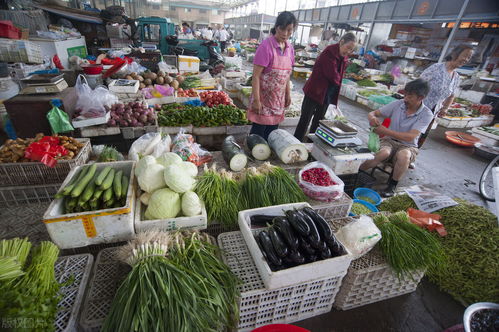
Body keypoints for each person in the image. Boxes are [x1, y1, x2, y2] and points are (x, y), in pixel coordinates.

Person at [359, 79, 433, 197]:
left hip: (408, 146)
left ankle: (392, 186)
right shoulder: (398, 104)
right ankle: (357, 173)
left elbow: (410, 137)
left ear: (420, 98)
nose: (406, 99)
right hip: (388, 141)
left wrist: (385, 130)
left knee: (404, 156)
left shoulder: (427, 114)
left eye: (410, 96)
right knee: (383, 153)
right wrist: (372, 118)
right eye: (405, 94)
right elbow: (373, 113)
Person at [294, 33, 357, 142]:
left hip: (327, 93)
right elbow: (332, 75)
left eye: (351, 50)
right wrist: (339, 80)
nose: (348, 52)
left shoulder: (343, 56)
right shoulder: (329, 52)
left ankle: (311, 144)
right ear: (341, 42)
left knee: (318, 120)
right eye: (348, 48)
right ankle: (295, 142)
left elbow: (338, 74)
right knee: (305, 119)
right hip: (315, 91)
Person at [247, 11, 297, 140]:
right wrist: (257, 101)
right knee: (257, 134)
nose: (285, 33)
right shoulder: (266, 46)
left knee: (272, 134)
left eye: (289, 30)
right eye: (282, 29)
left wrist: (288, 94)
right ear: (276, 27)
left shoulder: (290, 48)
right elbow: (256, 76)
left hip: (278, 100)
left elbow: (287, 75)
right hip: (263, 99)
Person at [417, 44, 473, 147]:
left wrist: (445, 108)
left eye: (469, 57)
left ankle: (411, 156)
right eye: (465, 55)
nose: (466, 59)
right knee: (409, 134)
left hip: (432, 113)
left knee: (421, 136)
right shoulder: (436, 68)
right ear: (455, 54)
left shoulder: (456, 77)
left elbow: (451, 95)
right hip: (418, 108)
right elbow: (417, 84)